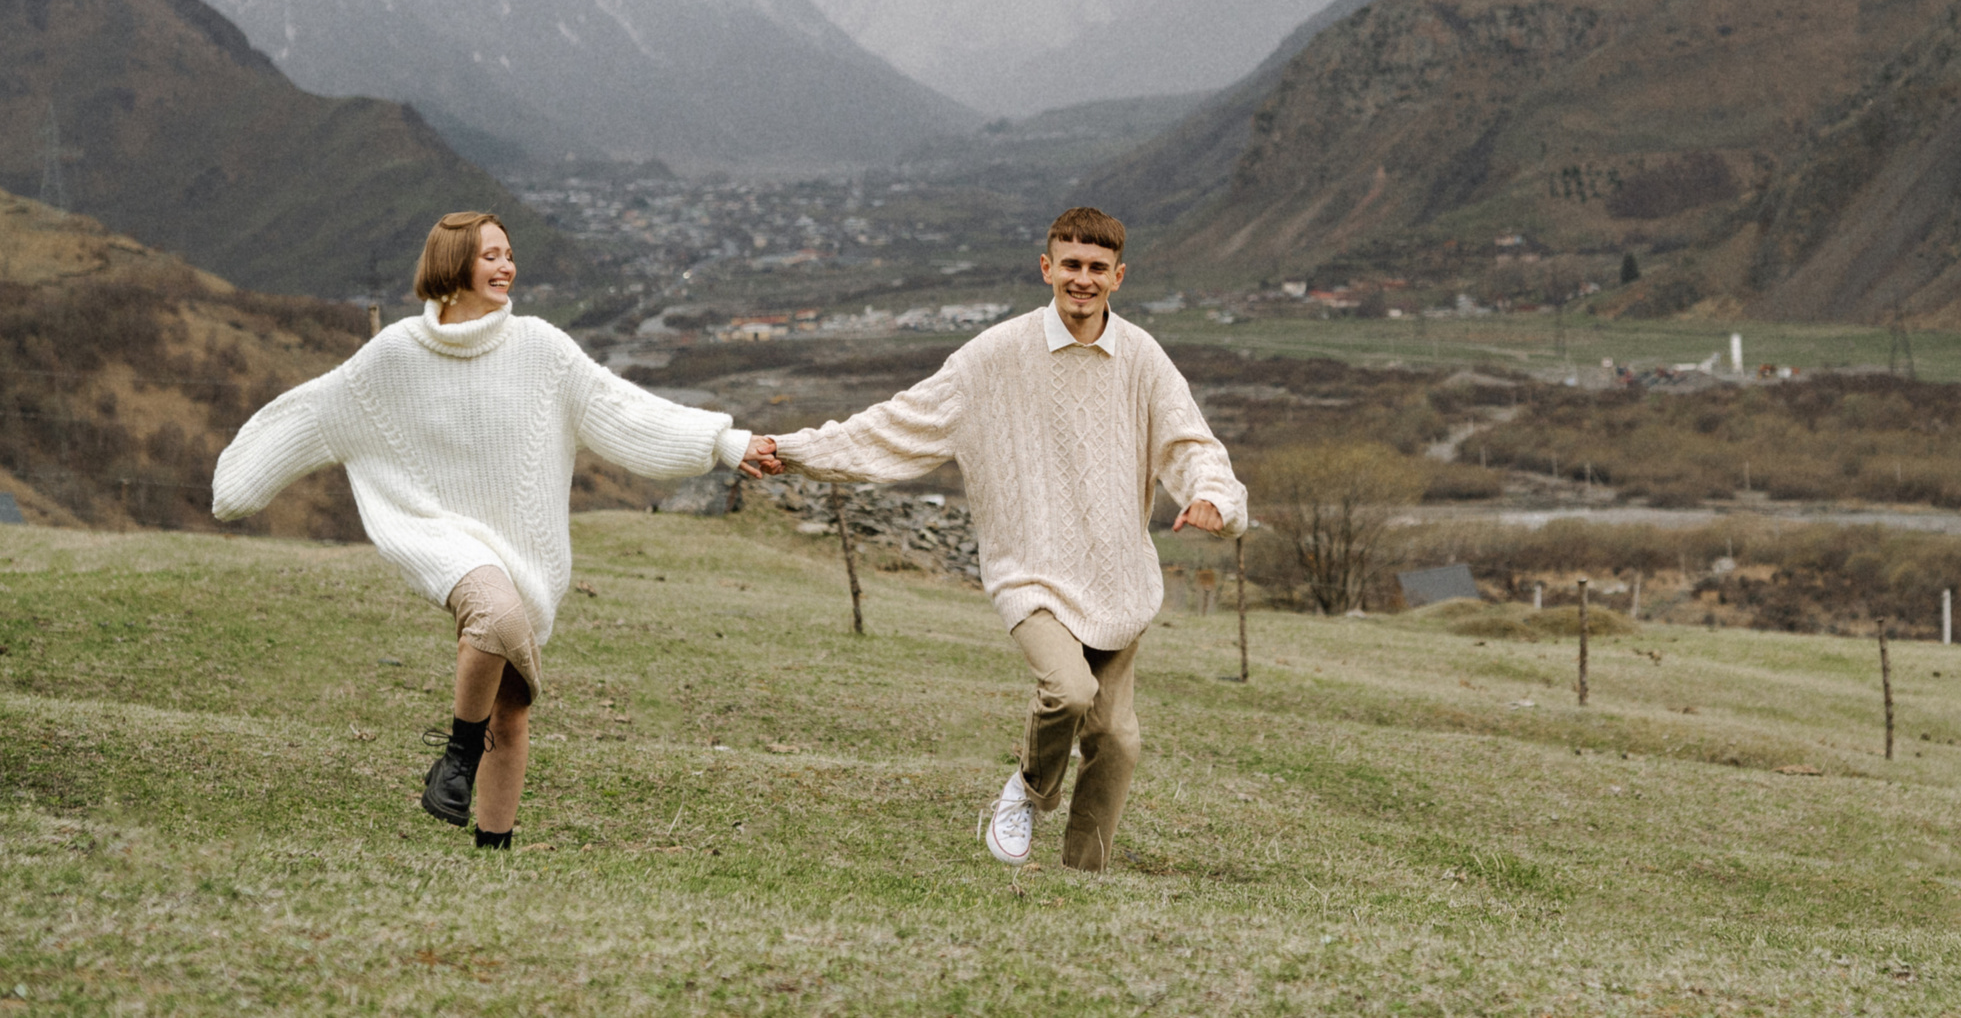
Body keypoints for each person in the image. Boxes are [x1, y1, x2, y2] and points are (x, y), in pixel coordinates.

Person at [211, 211, 782, 847]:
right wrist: (240, 483)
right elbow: (320, 412)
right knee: (496, 614)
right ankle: (455, 759)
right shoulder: (396, 353)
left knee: (510, 712)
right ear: (453, 264)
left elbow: (621, 409)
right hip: (437, 533)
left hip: (526, 551)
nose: (506, 266)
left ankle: (493, 848)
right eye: (490, 255)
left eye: (509, 254)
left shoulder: (541, 348)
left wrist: (722, 441)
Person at [754, 206, 1245, 872]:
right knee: (1069, 691)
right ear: (1047, 268)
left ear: (1118, 276)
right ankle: (1028, 791)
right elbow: (896, 425)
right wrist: (793, 451)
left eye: (1097, 267)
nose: (1082, 278)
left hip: (1116, 575)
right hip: (1030, 570)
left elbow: (1190, 444)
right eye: (1070, 264)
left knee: (1117, 740)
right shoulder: (993, 356)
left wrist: (1213, 496)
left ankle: (1082, 875)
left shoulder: (1142, 358)